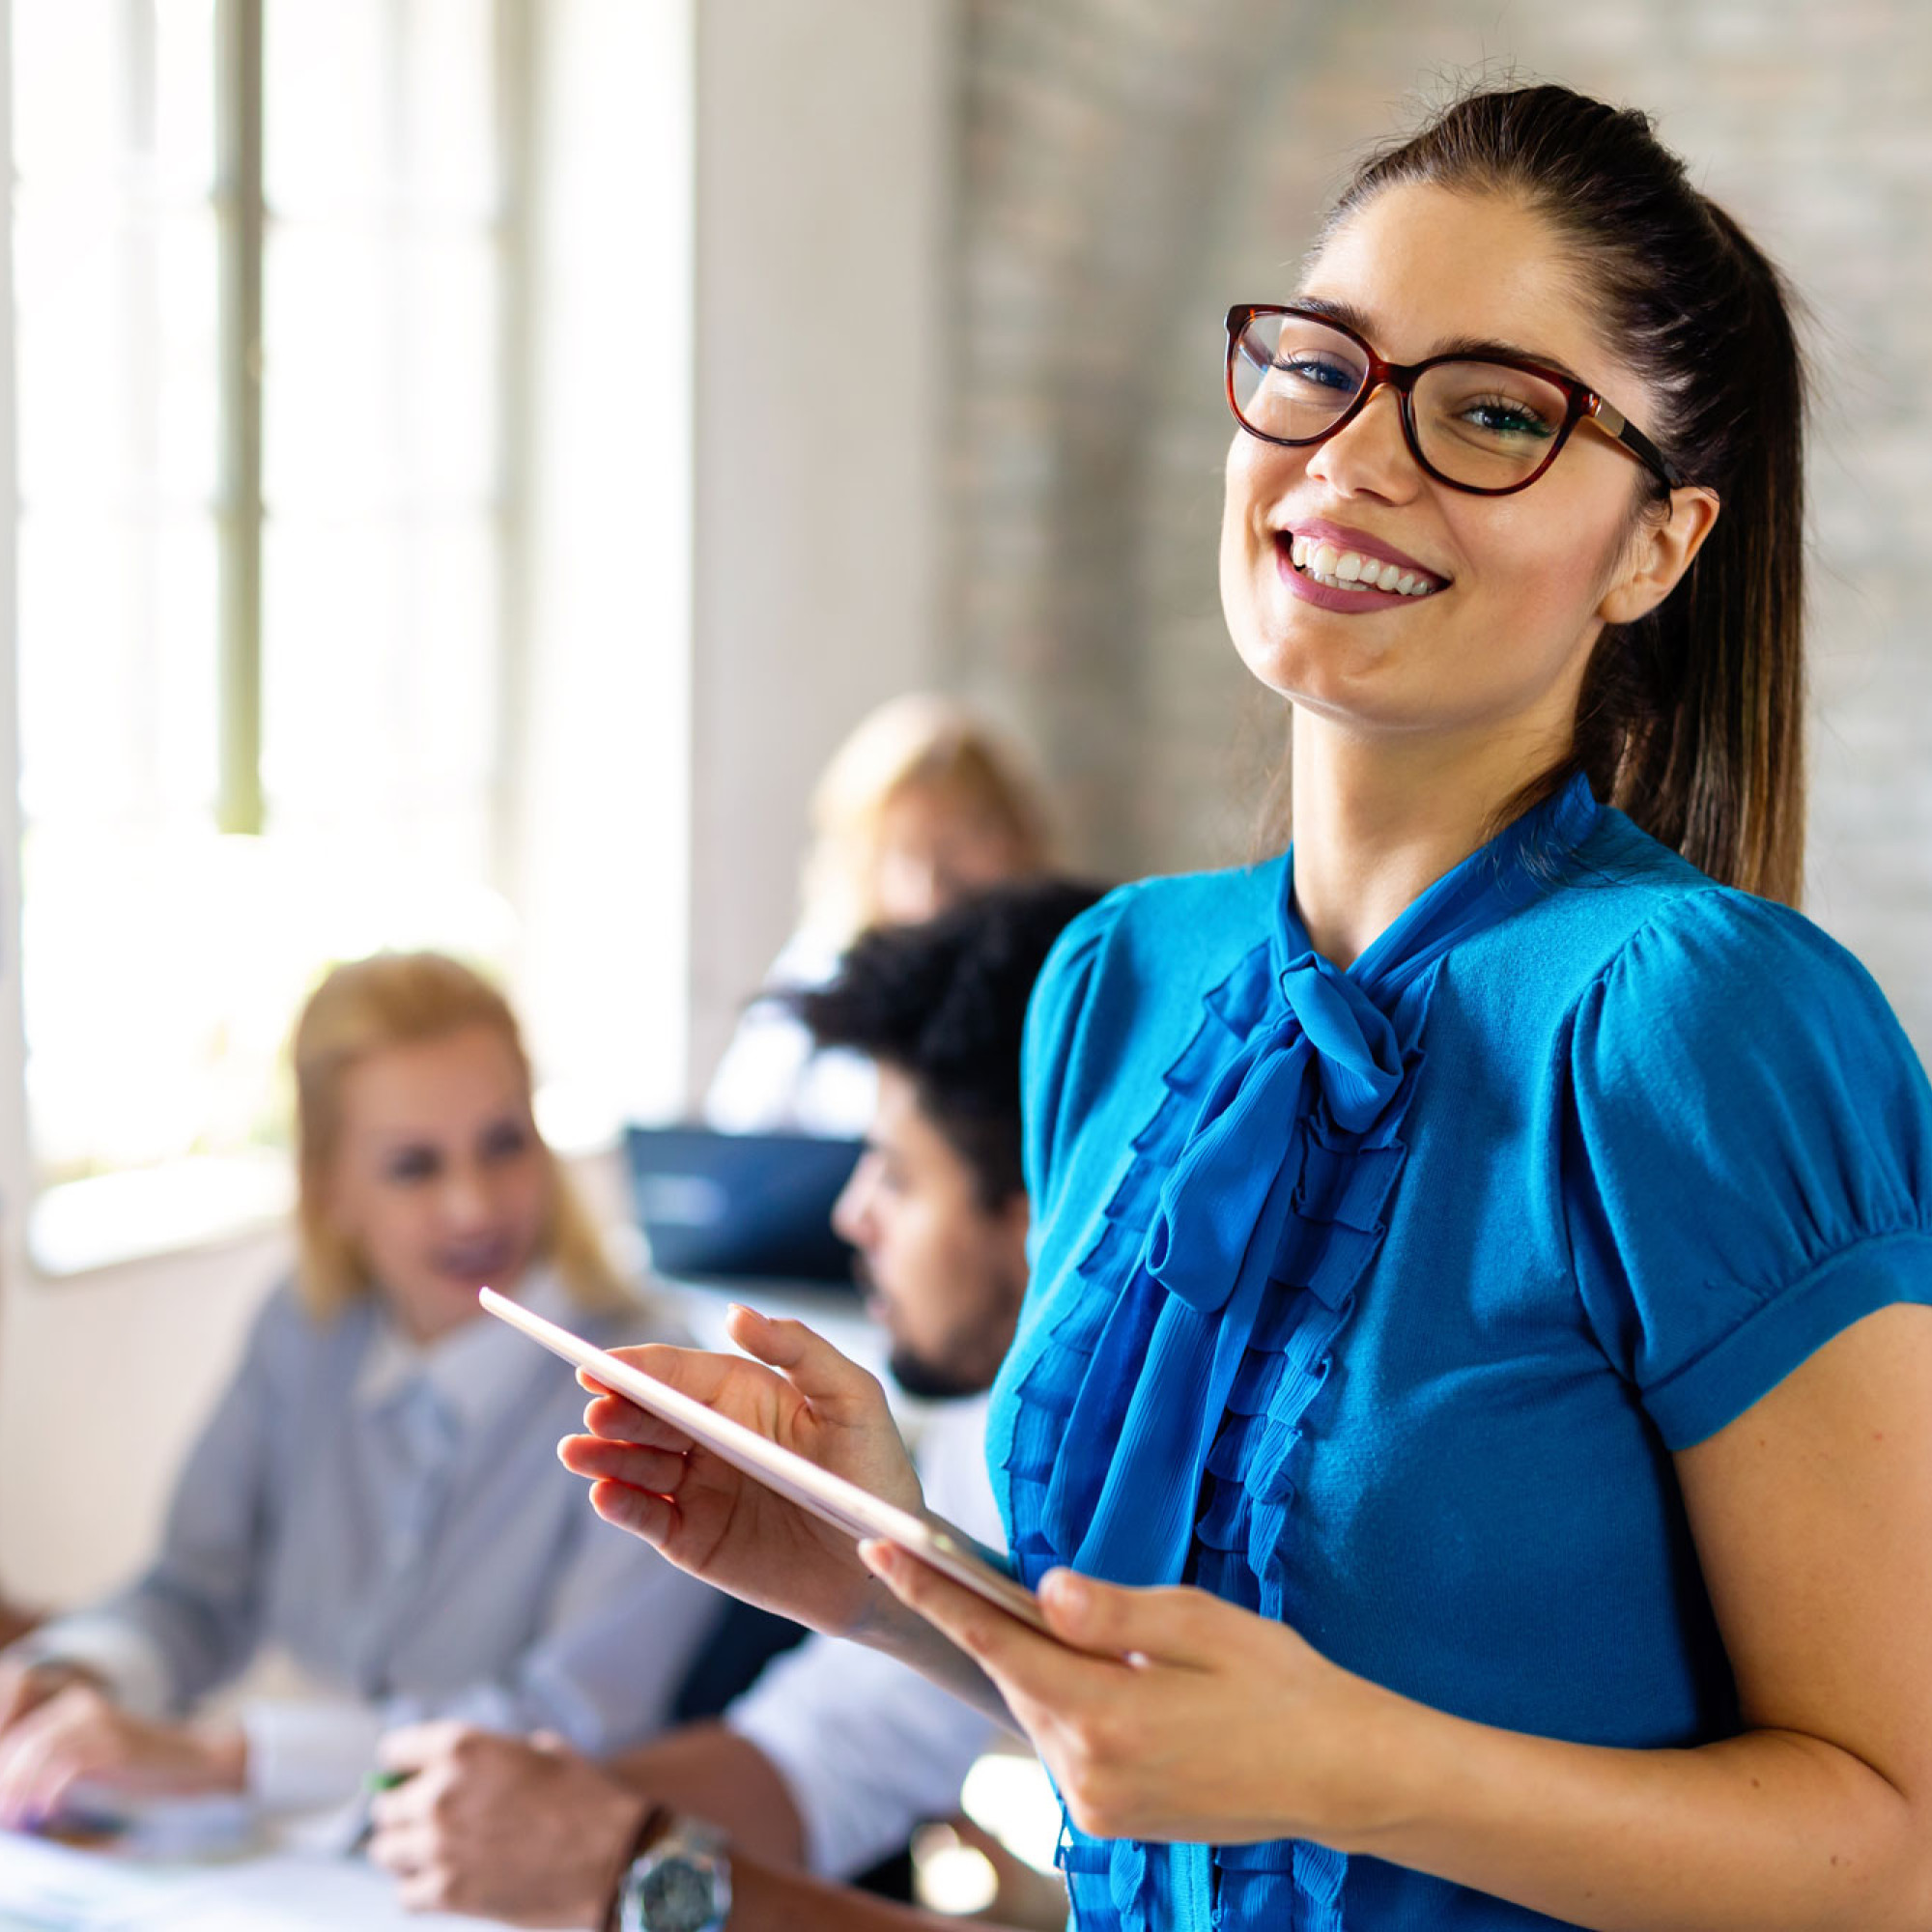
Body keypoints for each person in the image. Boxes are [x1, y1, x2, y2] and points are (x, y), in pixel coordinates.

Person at [561, 83, 1932, 1932]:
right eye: (1319, 369)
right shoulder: (1113, 981)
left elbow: (1892, 1847)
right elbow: (1163, 1753)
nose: (1355, 464)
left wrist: (1349, 1762)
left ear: (1653, 549)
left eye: (1495, 416)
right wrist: (870, 1564)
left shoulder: (1696, 1023)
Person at [364, 880, 1102, 1929]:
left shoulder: (1213, 1525)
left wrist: (633, 1872)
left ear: (1036, 1215)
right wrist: (522, 1812)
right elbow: (834, 1746)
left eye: (894, 1173)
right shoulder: (1000, 1450)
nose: (850, 1214)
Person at [0, 952, 722, 1828]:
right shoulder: (304, 1332)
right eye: (414, 1167)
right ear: (330, 1188)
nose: (473, 1207)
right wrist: (75, 1675)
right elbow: (197, 1589)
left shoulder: (648, 1388)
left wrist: (230, 1758)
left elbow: (566, 1728)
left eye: (504, 1144)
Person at [705, 693, 1054, 1136]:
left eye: (955, 844)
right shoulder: (824, 972)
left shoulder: (1062, 966)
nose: (932, 882)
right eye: (905, 853)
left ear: (1016, 835)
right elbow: (737, 1132)